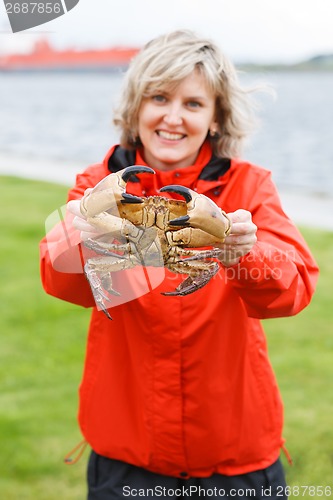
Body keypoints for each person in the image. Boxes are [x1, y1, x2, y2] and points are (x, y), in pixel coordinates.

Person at [40, 30, 319, 499]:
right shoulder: (96, 186)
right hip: (128, 454)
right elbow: (62, 280)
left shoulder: (248, 189)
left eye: (193, 104)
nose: (173, 117)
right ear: (135, 108)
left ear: (215, 119)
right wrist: (80, 232)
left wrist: (242, 253)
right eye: (159, 97)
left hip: (236, 450)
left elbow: (293, 290)